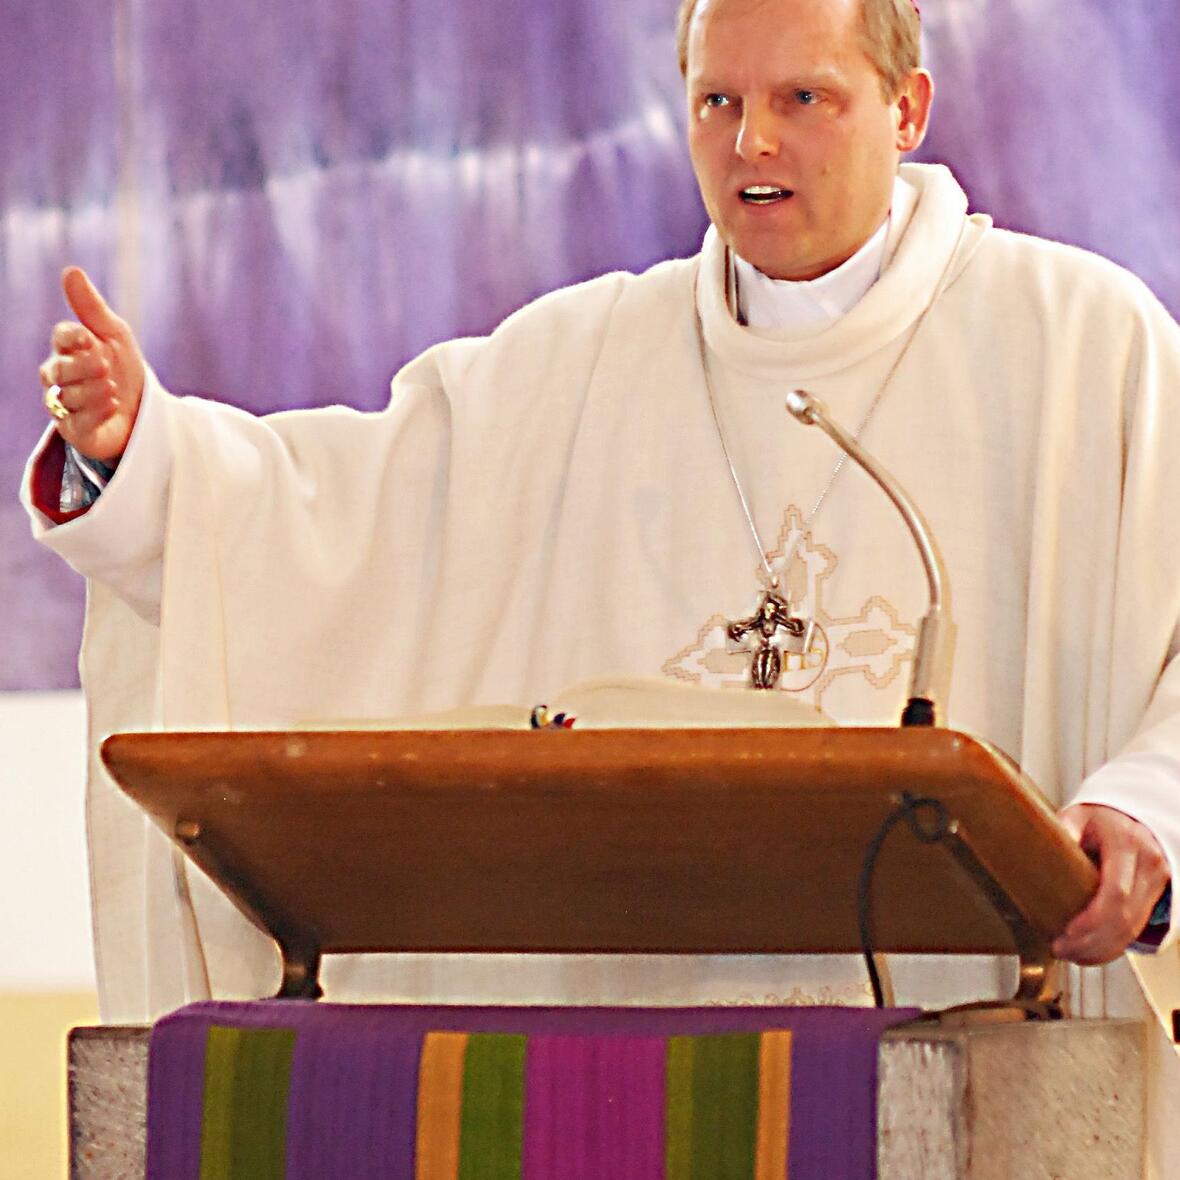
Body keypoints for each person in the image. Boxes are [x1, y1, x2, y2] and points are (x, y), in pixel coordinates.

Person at [24, 0, 1180, 1160]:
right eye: (717, 102)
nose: (752, 143)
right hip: (640, 1099)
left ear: (908, 110)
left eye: (803, 99)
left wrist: (1143, 802)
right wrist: (144, 459)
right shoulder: (580, 364)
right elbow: (331, 515)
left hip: (970, 1091)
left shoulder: (1081, 347)